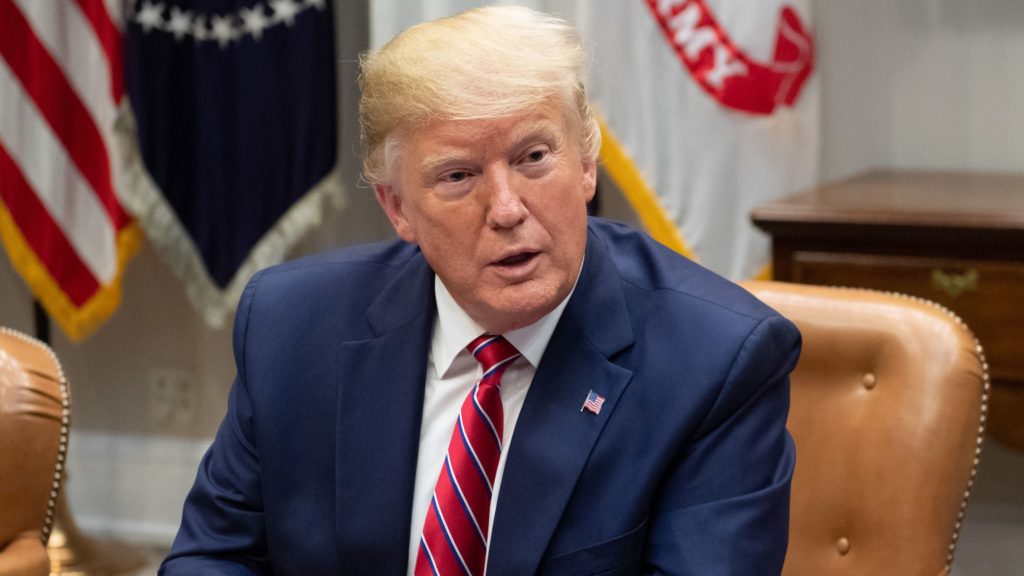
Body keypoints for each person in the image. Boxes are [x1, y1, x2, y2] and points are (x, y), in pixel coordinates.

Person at [160, 6, 800, 575]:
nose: (506, 208)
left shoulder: (718, 362)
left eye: (533, 158)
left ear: (584, 163)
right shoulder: (292, 325)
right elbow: (215, 555)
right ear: (397, 208)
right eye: (458, 175)